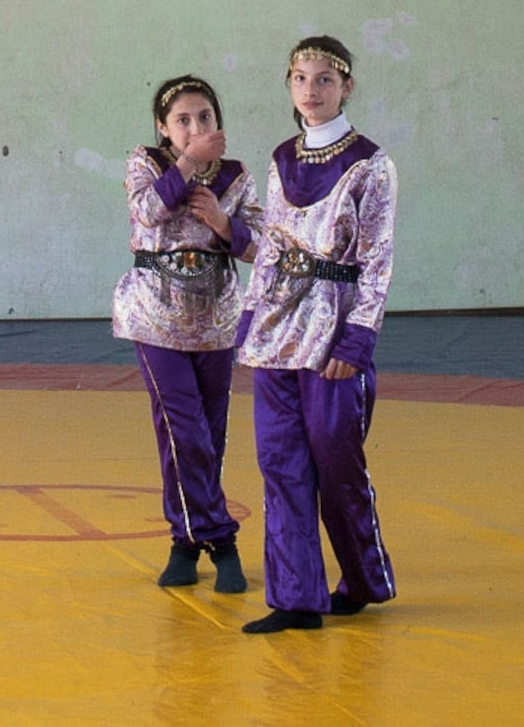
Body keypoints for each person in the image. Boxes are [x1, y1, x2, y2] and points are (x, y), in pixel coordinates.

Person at [235, 34, 396, 633]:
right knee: (280, 461)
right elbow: (273, 243)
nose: (311, 90)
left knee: (336, 460)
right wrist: (250, 321)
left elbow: (377, 259)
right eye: (300, 78)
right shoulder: (282, 158)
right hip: (280, 324)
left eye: (325, 79)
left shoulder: (372, 165)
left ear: (346, 86)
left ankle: (361, 578)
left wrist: (357, 340)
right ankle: (297, 598)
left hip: (334, 324)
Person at [116, 74, 261, 593]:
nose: (195, 128)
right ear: (163, 128)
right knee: (184, 428)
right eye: (182, 121)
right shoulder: (145, 164)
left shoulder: (239, 176)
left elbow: (262, 249)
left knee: (210, 430)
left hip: (216, 317)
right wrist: (187, 164)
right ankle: (220, 539)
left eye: (204, 118)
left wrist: (225, 224)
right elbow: (147, 212)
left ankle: (183, 540)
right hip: (154, 313)